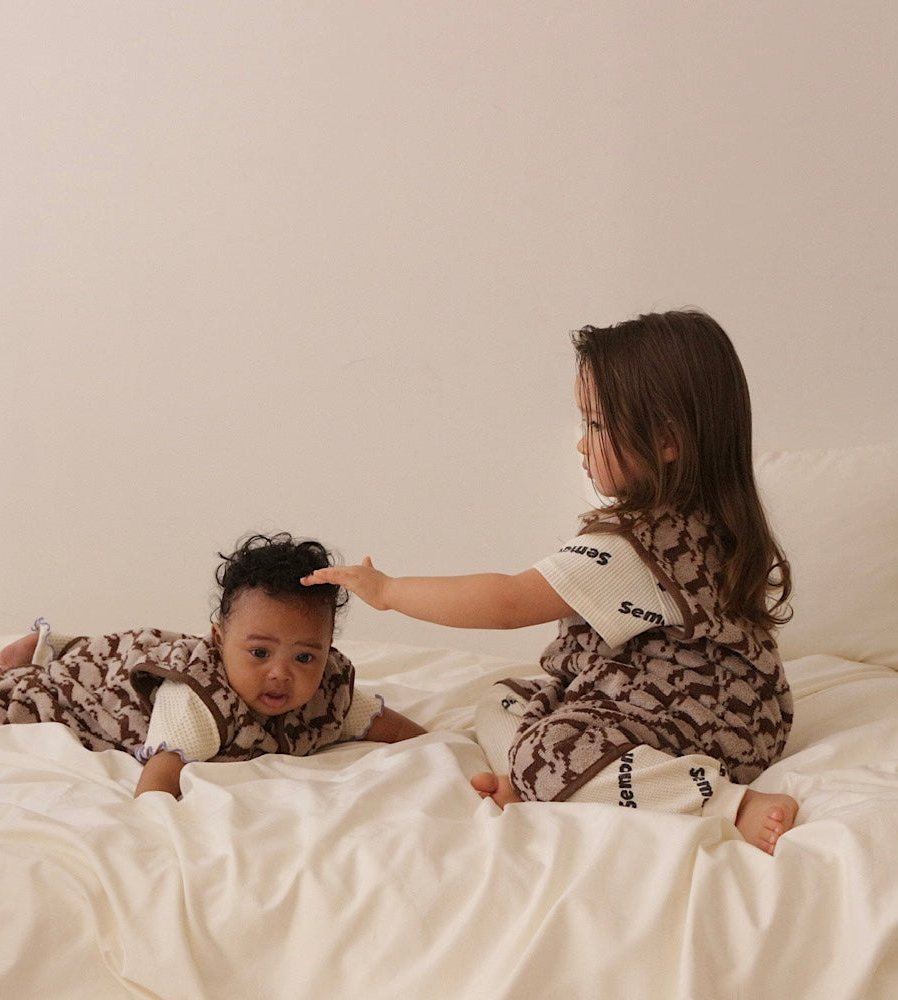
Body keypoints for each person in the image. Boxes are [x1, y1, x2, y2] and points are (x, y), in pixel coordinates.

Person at [303, 310, 798, 855]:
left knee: (547, 750)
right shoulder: (703, 520)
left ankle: (727, 803)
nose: (582, 445)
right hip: (731, 709)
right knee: (502, 701)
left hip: (706, 722)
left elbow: (508, 601)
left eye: (596, 425)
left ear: (666, 440)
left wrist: (390, 591)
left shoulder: (632, 547)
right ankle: (553, 782)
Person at [0, 533, 426, 798]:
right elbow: (158, 781)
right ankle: (47, 650)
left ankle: (58, 642)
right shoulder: (196, 704)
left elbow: (385, 724)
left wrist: (442, 745)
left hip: (169, 651)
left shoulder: (329, 692)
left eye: (305, 656)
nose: (282, 673)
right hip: (122, 685)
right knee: (56, 687)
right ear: (219, 640)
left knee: (148, 646)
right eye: (260, 653)